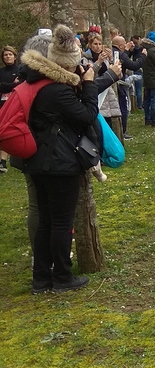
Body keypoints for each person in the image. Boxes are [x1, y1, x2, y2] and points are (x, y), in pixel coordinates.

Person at [20, 25, 100, 293]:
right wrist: (89, 85)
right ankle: (63, 277)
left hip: (38, 160)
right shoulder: (58, 91)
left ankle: (41, 278)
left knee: (46, 221)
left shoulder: (37, 83)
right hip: (59, 162)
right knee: (62, 223)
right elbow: (86, 115)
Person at [0, 45, 20, 172]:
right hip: (2, 104)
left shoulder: (20, 70)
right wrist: (13, 83)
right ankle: (2, 162)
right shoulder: (1, 71)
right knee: (2, 131)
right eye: (5, 55)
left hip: (15, 104)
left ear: (15, 56)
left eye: (10, 54)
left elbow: (20, 86)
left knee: (12, 131)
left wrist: (6, 85)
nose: (8, 57)